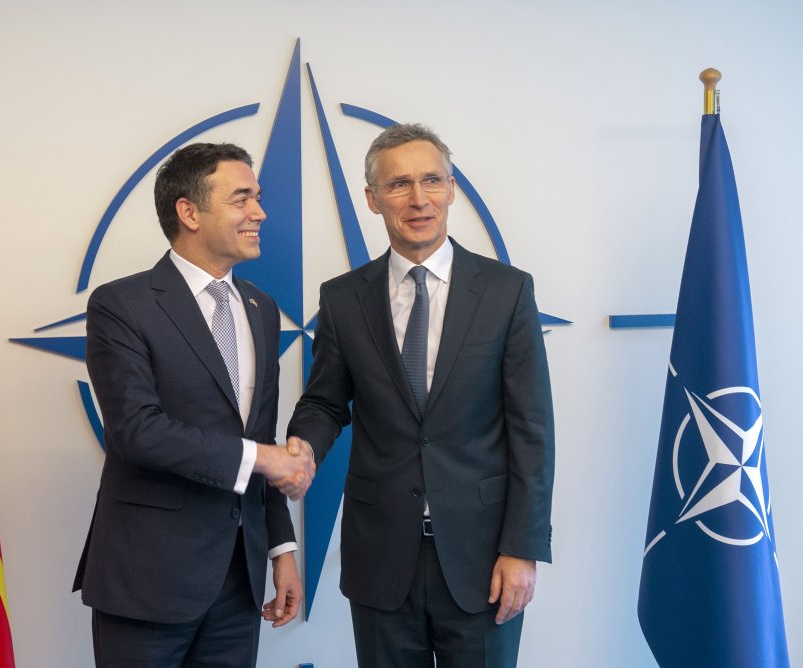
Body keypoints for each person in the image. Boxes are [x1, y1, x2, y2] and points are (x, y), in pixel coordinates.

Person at [282, 124, 555, 667]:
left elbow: (532, 428)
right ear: (373, 199)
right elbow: (325, 402)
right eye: (399, 184)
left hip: (482, 559)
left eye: (431, 181)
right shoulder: (342, 298)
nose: (418, 199)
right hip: (381, 556)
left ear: (452, 189)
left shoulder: (507, 291)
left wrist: (522, 549)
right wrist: (301, 445)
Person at [73, 142, 315, 667]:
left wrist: (281, 550)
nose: (259, 212)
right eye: (241, 199)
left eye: (258, 197)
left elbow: (259, 436)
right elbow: (137, 431)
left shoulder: (261, 308)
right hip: (147, 582)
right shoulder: (121, 305)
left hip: (238, 583)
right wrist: (264, 458)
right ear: (189, 212)